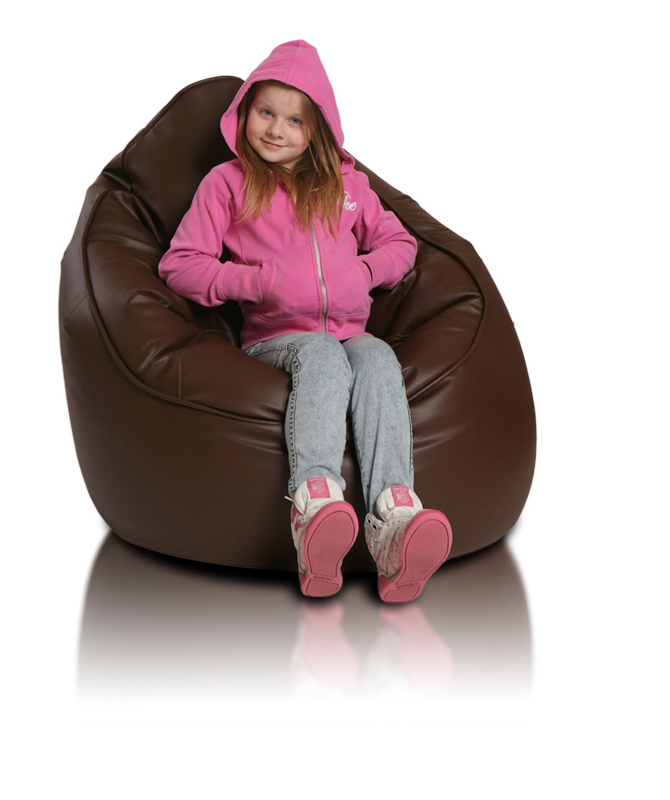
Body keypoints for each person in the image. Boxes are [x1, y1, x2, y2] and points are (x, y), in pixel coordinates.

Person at [159, 40, 452, 603]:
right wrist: (257, 281)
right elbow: (181, 265)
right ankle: (315, 508)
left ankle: (395, 519)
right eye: (265, 112)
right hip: (276, 340)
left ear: (318, 128)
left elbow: (400, 243)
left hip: (350, 332)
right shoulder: (227, 183)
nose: (276, 129)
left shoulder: (347, 187)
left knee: (377, 355)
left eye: (294, 120)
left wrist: (363, 272)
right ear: (244, 112)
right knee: (322, 353)